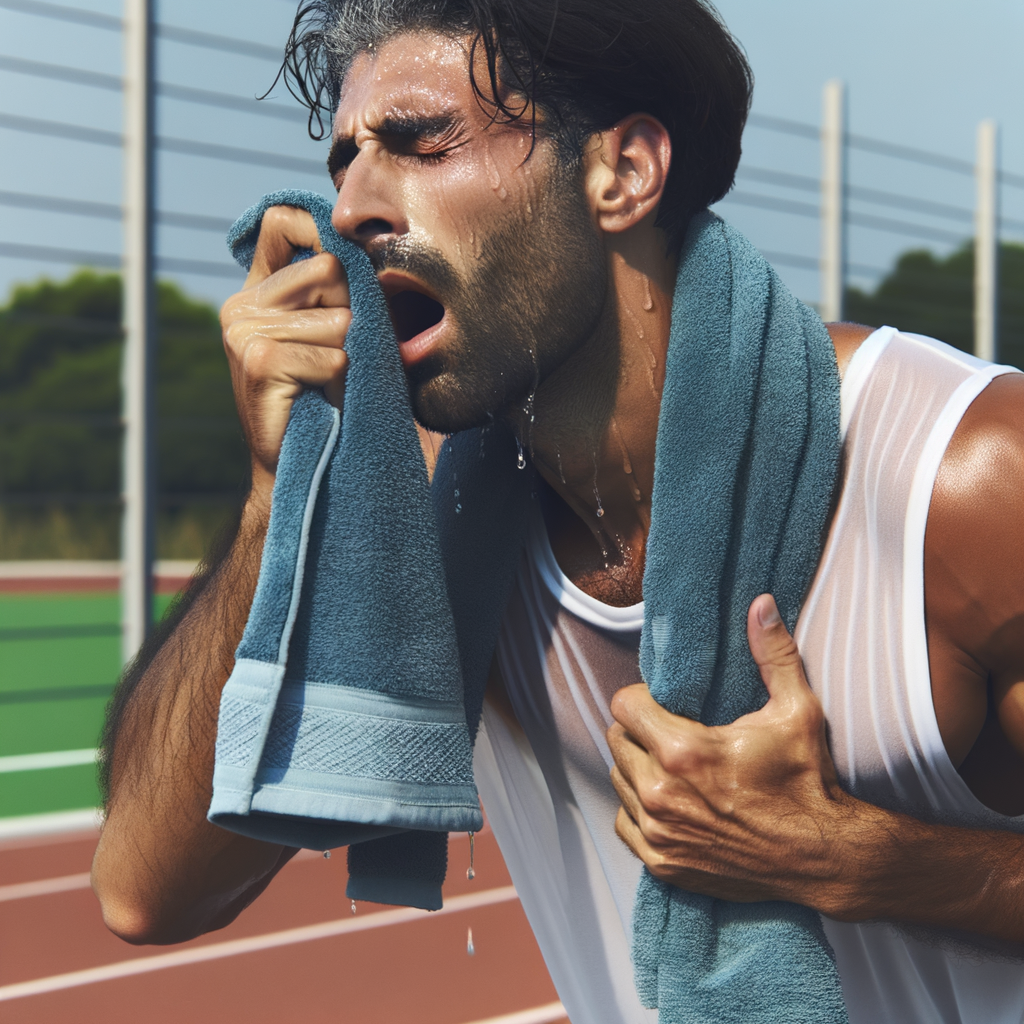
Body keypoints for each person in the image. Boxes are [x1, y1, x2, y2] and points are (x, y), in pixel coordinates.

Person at [92, 1, 1024, 1021]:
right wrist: (279, 494)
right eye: (344, 161)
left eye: (419, 143)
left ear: (621, 173)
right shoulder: (437, 532)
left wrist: (865, 858)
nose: (353, 206)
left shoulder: (964, 478)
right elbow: (145, 891)